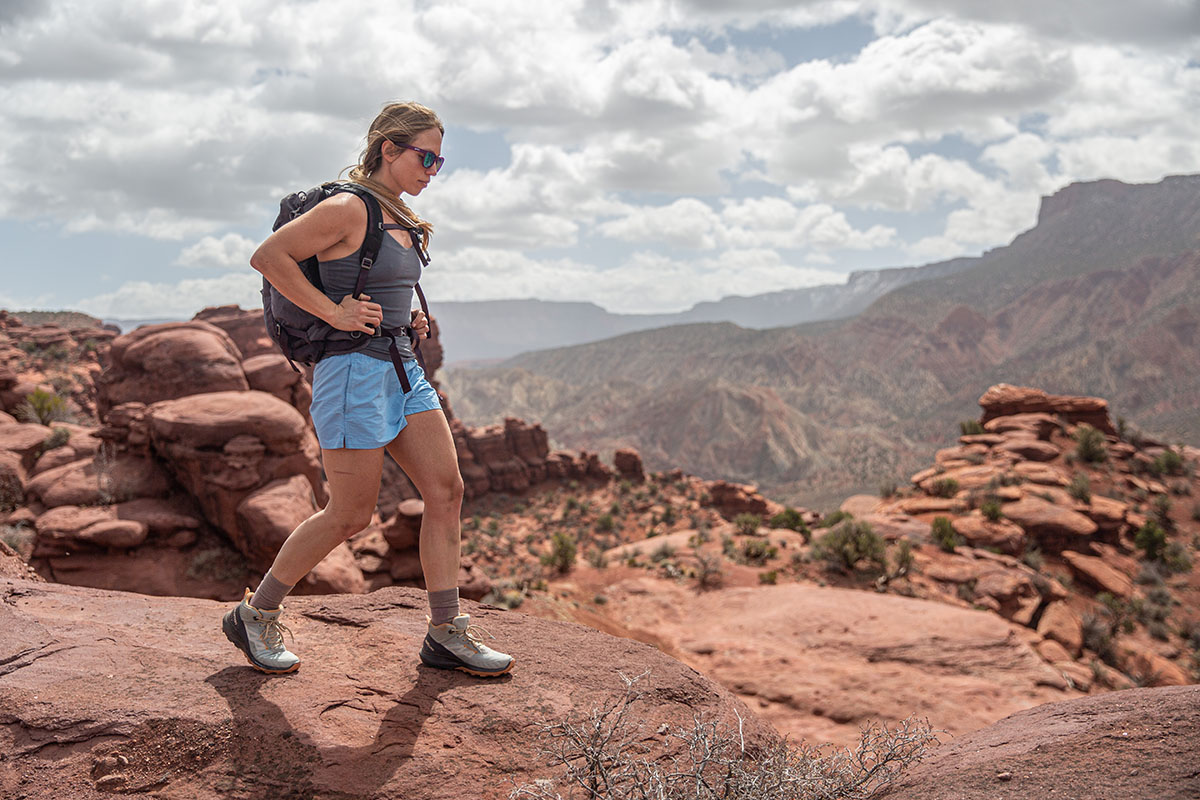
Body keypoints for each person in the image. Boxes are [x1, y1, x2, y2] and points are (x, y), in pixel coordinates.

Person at [222, 101, 513, 678]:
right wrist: (334, 310)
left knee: (446, 491)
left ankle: (445, 632)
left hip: (404, 366)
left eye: (440, 160)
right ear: (389, 149)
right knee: (350, 514)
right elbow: (268, 256)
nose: (433, 169)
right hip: (353, 372)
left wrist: (410, 321)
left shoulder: (397, 215)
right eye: (425, 157)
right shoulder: (349, 207)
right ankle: (255, 614)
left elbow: (385, 288)